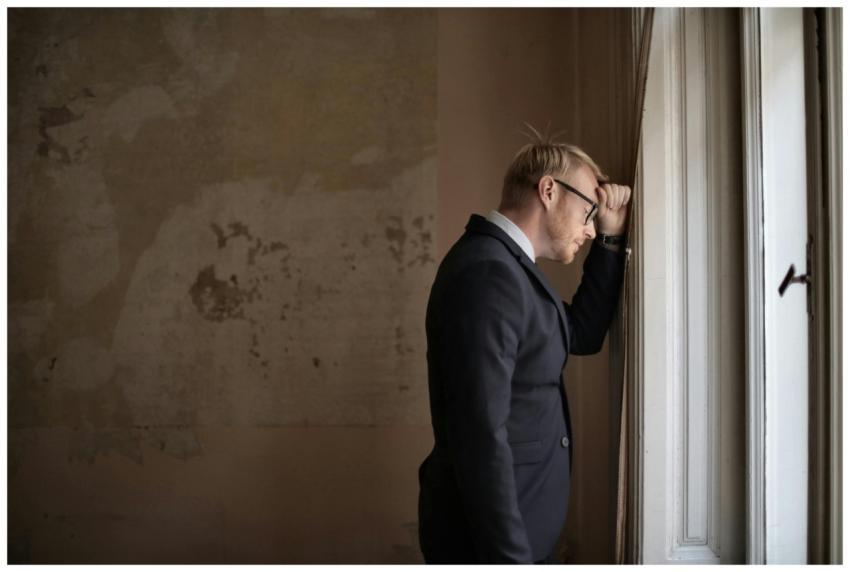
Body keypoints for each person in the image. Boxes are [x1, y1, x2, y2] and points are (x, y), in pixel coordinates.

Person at [417, 136, 631, 564]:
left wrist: (610, 238)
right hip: (488, 547)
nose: (590, 228)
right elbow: (479, 438)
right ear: (548, 191)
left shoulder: (509, 268)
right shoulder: (489, 273)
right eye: (589, 210)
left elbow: (581, 334)